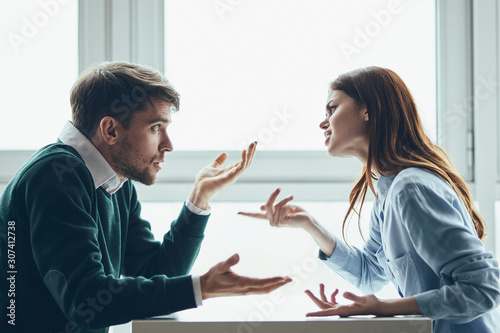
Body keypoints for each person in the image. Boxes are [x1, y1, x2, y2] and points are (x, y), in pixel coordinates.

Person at [0, 62, 291, 333]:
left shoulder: (115, 180)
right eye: (156, 128)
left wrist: (199, 199)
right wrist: (200, 288)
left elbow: (157, 272)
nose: (168, 145)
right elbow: (85, 301)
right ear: (110, 129)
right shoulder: (57, 175)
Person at [239, 66, 500, 332]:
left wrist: (383, 308)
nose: (323, 122)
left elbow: (483, 288)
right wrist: (310, 225)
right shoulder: (389, 191)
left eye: (332, 108)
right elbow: (370, 274)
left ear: (368, 111)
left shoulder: (411, 189)